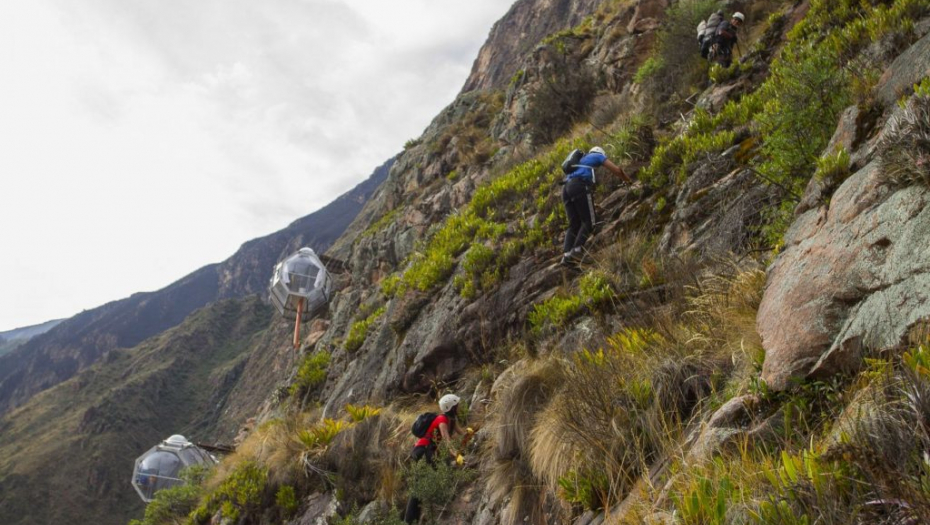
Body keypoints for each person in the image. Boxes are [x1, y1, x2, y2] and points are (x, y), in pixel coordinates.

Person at [561, 146, 633, 266]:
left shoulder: (579, 162)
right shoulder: (597, 156)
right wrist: (628, 181)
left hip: (565, 189)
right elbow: (617, 170)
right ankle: (577, 251)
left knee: (574, 224)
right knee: (590, 221)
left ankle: (566, 256)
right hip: (579, 185)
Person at [404, 394, 467, 523]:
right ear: (452, 407)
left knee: (431, 477)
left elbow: (462, 434)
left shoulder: (452, 420)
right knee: (418, 486)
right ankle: (409, 521)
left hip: (429, 452)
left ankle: (429, 506)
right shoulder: (442, 420)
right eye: (457, 405)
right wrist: (457, 456)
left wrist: (471, 433)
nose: (459, 407)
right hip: (421, 452)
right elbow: (447, 441)